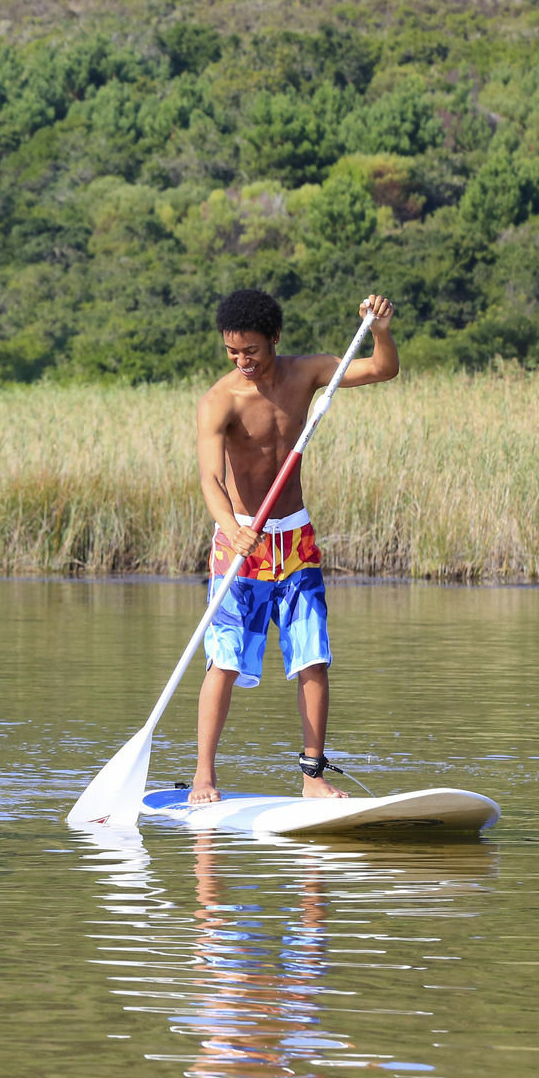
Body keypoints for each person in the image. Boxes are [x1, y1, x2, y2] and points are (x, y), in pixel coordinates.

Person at [190, 289, 398, 804]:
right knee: (226, 662)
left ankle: (312, 777)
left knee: (313, 660)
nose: (243, 363)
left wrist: (381, 331)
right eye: (233, 353)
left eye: (252, 352)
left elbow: (380, 370)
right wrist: (231, 528)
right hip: (240, 544)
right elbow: (210, 481)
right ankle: (203, 776)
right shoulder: (220, 401)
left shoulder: (308, 374)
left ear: (274, 339)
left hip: (296, 542)